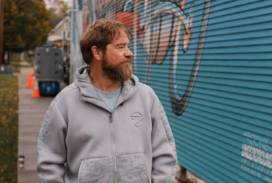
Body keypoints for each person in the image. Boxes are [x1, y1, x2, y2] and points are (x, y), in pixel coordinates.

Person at [36, 19, 177, 182]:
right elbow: (49, 163)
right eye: (120, 47)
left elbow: (165, 156)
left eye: (128, 46)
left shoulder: (146, 97)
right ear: (97, 53)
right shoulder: (65, 103)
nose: (129, 53)